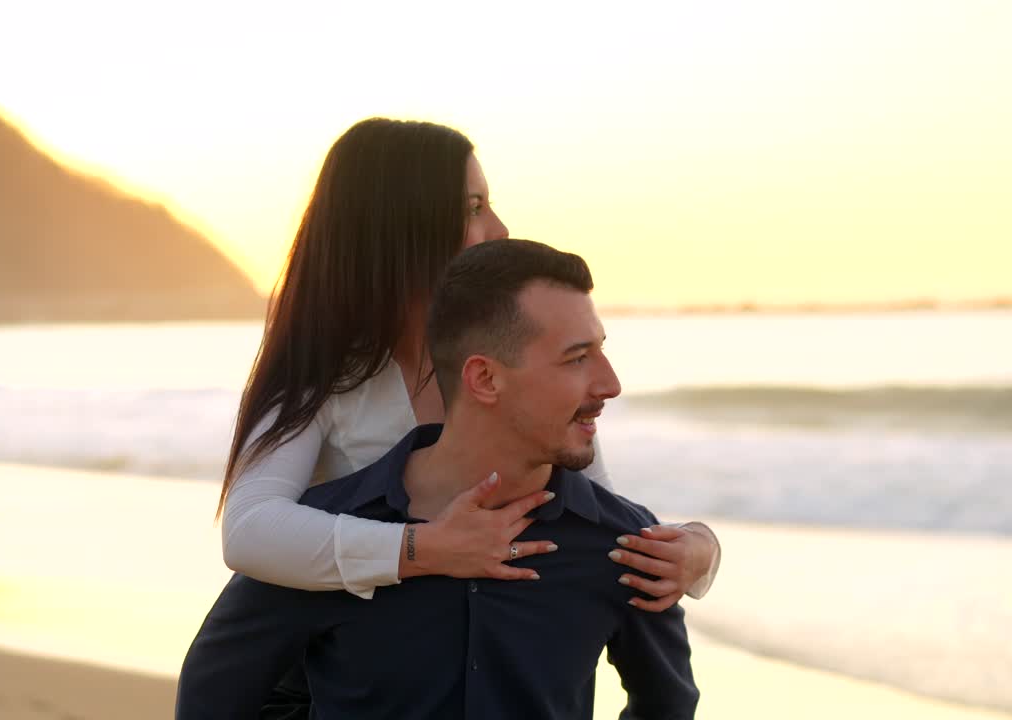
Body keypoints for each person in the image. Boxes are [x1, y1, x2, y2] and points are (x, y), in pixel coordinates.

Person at [177, 239, 699, 719]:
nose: (610, 383)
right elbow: (213, 698)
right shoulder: (328, 532)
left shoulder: (624, 544)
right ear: (485, 378)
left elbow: (667, 705)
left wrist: (702, 546)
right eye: (577, 358)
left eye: (600, 351)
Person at [218, 118, 721, 610]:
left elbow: (599, 515)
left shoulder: (514, 365)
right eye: (473, 208)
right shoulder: (325, 374)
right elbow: (249, 530)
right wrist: (427, 549)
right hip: (343, 679)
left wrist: (699, 549)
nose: (499, 229)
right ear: (401, 225)